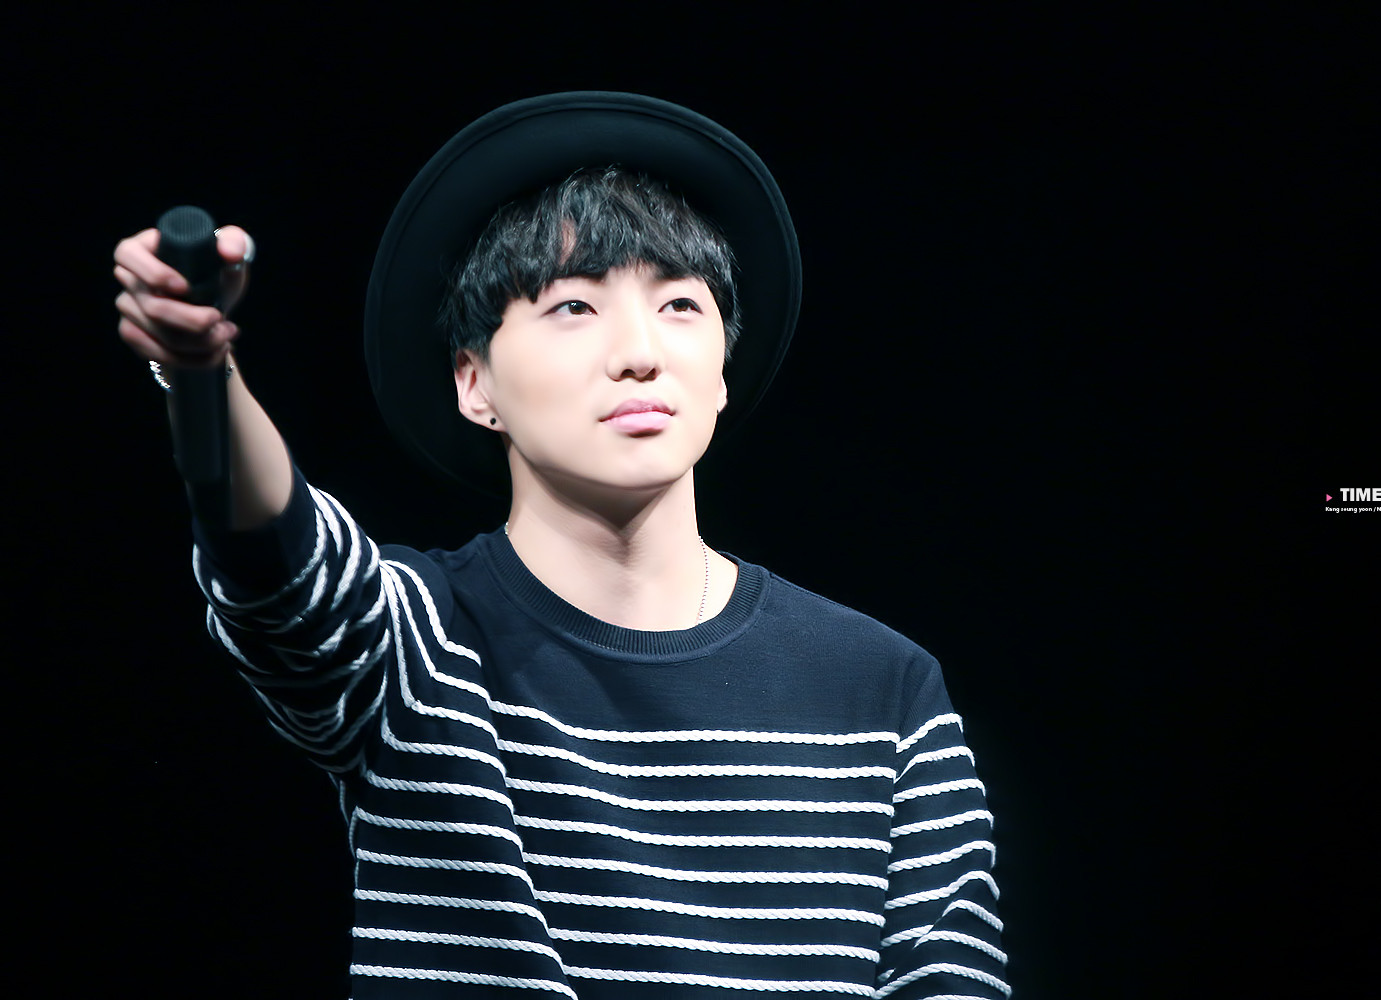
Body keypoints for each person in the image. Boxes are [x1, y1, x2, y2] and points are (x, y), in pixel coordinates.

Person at [114, 92, 1010, 998]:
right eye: (575, 306)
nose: (639, 352)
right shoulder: (416, 645)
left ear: (721, 374)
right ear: (475, 384)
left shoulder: (883, 687)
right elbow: (278, 561)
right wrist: (201, 374)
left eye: (680, 304)